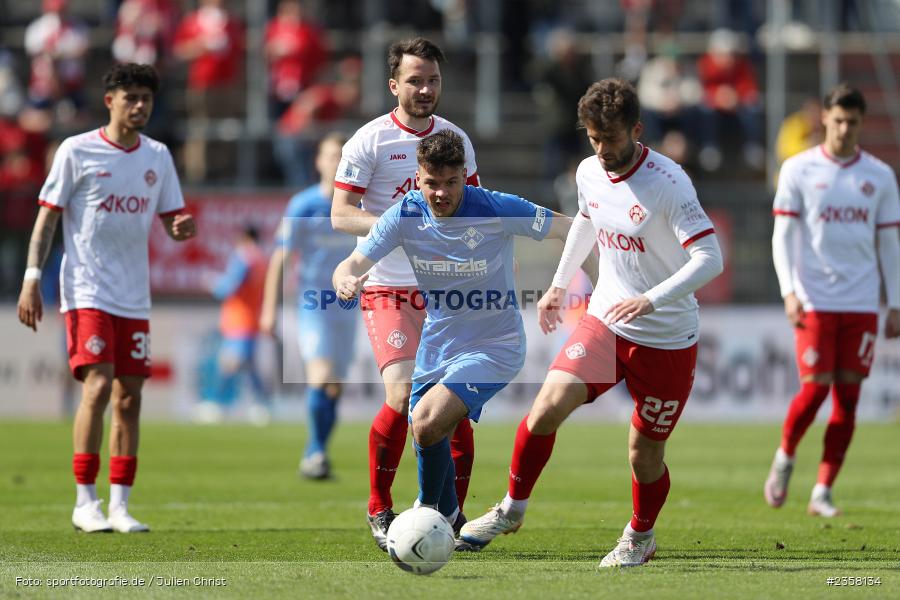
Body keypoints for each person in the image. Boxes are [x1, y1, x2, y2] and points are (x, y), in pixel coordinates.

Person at [460, 78, 723, 568]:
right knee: (545, 409)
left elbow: (711, 258)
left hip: (667, 336)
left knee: (644, 453)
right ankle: (511, 509)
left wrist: (651, 299)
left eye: (612, 138)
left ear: (637, 130)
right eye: (594, 138)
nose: (602, 150)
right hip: (606, 320)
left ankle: (640, 536)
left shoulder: (669, 183)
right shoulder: (588, 171)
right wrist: (559, 284)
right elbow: (586, 220)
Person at [333, 129, 576, 537]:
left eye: (451, 182)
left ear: (465, 175)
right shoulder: (405, 214)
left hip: (494, 345)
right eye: (432, 183)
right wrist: (345, 280)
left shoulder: (495, 207)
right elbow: (351, 264)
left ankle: (425, 513)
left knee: (428, 421)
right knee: (426, 429)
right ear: (418, 177)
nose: (441, 193)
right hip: (438, 345)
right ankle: (446, 518)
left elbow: (571, 228)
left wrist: (561, 286)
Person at [17, 63, 197, 533]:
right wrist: (32, 276)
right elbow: (47, 219)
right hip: (86, 289)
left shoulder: (157, 156)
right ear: (110, 101)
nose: (139, 106)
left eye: (146, 99)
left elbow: (173, 221)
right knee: (97, 385)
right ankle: (85, 501)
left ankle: (120, 505)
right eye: (131, 97)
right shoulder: (76, 151)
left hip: (133, 295)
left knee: (129, 399)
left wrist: (181, 228)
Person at [330, 37, 481, 551]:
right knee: (401, 396)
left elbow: (475, 208)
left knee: (454, 408)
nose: (425, 89)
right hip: (388, 287)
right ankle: (379, 506)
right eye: (415, 80)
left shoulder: (456, 139)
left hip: (446, 292)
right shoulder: (369, 141)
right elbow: (341, 214)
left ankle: (450, 517)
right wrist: (402, 225)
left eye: (432, 80)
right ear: (394, 84)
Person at [764, 83, 900, 517]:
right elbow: (782, 236)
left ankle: (823, 489)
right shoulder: (798, 169)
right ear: (824, 118)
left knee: (849, 399)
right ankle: (785, 455)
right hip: (815, 299)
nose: (844, 129)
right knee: (815, 389)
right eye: (838, 120)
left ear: (861, 123)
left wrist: (895, 302)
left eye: (852, 122)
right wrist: (789, 291)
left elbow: (890, 244)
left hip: (862, 303)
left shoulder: (879, 176)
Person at [260, 132, 358, 479]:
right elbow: (280, 258)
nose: (337, 163)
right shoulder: (304, 205)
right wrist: (269, 309)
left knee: (335, 385)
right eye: (332, 156)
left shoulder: (359, 207)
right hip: (314, 302)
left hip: (349, 305)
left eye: (343, 157)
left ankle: (318, 451)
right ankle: (315, 452)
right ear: (318, 161)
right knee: (321, 374)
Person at [201, 225, 270, 424]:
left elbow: (228, 288)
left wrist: (212, 281)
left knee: (231, 363)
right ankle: (260, 404)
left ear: (245, 238)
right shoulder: (261, 260)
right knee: (247, 364)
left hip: (238, 319)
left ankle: (217, 403)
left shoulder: (244, 259)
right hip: (251, 318)